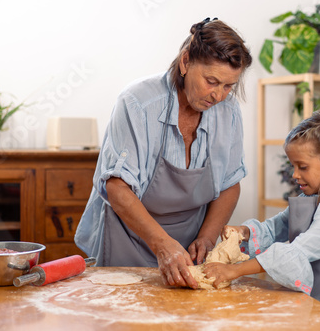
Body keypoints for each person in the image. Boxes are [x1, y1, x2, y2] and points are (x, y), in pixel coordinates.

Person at [75, 17, 253, 289]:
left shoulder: (228, 112)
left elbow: (229, 184)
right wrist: (162, 245)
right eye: (211, 81)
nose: (218, 95)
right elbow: (117, 187)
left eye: (228, 86)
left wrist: (207, 238)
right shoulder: (137, 103)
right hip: (128, 239)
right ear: (185, 62)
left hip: (189, 247)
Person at [204, 110, 320, 324]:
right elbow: (273, 229)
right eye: (293, 166)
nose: (295, 175)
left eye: (303, 167)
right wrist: (245, 232)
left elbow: (295, 252)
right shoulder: (309, 201)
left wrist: (234, 271)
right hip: (304, 311)